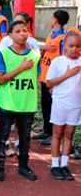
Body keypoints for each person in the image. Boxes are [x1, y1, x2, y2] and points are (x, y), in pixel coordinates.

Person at [0, 20, 41, 182]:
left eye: (25, 30)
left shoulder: (35, 55)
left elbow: (37, 77)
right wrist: (20, 68)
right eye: (18, 31)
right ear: (11, 35)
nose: (23, 33)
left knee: (25, 137)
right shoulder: (4, 54)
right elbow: (1, 80)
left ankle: (23, 166)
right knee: (3, 135)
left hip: (26, 104)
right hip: (7, 103)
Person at [46, 31, 81, 181]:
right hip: (60, 102)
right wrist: (67, 75)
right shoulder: (58, 62)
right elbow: (49, 83)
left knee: (69, 135)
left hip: (76, 105)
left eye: (78, 46)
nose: (74, 49)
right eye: (71, 46)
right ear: (65, 46)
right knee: (57, 134)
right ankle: (55, 165)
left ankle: (64, 165)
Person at [33, 10, 69, 146]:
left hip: (55, 80)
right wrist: (44, 48)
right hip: (45, 77)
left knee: (55, 107)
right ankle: (47, 130)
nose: (51, 20)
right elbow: (43, 55)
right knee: (46, 105)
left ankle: (55, 134)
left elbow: (64, 60)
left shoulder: (63, 39)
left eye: (52, 18)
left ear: (55, 21)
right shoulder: (49, 36)